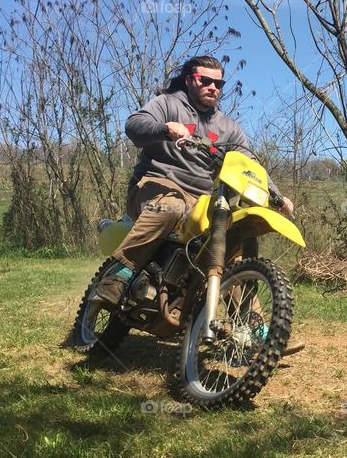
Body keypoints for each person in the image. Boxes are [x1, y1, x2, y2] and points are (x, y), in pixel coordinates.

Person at [94, 55, 304, 355]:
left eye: (218, 83)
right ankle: (118, 276)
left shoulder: (227, 127)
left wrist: (277, 196)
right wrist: (166, 128)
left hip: (201, 198)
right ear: (190, 79)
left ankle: (255, 330)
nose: (213, 87)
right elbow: (134, 125)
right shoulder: (168, 103)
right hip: (155, 185)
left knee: (228, 245)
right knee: (171, 208)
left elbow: (250, 163)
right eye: (205, 81)